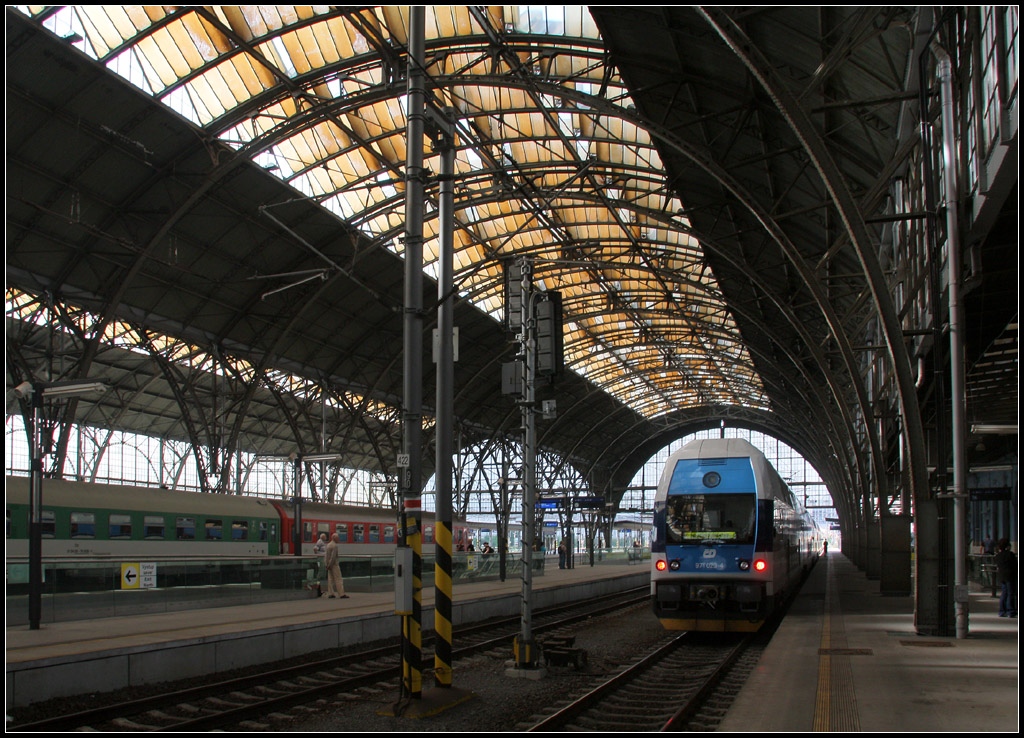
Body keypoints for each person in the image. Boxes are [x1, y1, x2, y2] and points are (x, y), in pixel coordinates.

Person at [994, 538, 1016, 618]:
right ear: (1008, 546)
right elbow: (1015, 565)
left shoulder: (998, 556)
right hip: (1010, 576)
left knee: (1004, 593)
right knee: (1011, 593)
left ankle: (1002, 611)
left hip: (1002, 576)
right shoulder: (1010, 555)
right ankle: (1011, 611)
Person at [325, 532, 348, 599]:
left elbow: (326, 556)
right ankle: (341, 594)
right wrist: (330, 565)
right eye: (338, 538)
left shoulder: (328, 545)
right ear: (334, 538)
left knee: (330, 580)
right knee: (338, 579)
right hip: (334, 565)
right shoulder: (334, 546)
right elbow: (333, 557)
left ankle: (331, 593)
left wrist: (327, 565)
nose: (339, 539)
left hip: (329, 565)